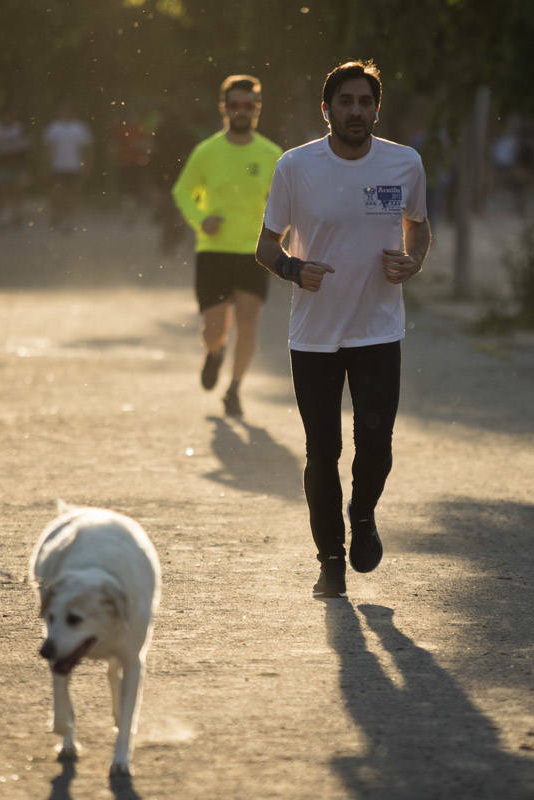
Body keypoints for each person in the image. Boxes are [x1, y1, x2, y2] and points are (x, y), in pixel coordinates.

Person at [255, 61, 431, 599]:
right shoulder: (296, 166)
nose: (356, 111)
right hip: (315, 337)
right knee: (322, 449)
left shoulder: (404, 164)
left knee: (376, 444)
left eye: (365, 102)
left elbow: (418, 231)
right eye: (345, 102)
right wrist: (293, 268)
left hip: (378, 330)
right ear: (326, 109)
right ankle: (330, 561)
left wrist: (412, 262)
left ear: (376, 109)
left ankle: (364, 511)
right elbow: (266, 247)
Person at [171, 74, 283, 417]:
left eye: (249, 106)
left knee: (248, 323)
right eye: (235, 105)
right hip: (214, 250)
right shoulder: (207, 152)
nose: (242, 111)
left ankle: (234, 389)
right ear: (224, 108)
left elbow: (284, 203)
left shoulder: (271, 154)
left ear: (257, 109)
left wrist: (283, 239)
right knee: (214, 327)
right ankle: (215, 352)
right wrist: (200, 219)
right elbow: (182, 192)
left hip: (253, 252)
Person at [42, 103, 92, 232]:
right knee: (57, 192)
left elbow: (86, 148)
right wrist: (47, 164)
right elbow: (48, 148)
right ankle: (57, 214)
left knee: (72, 193)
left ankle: (69, 219)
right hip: (57, 166)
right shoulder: (54, 127)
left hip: (74, 166)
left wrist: (86, 165)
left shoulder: (80, 128)